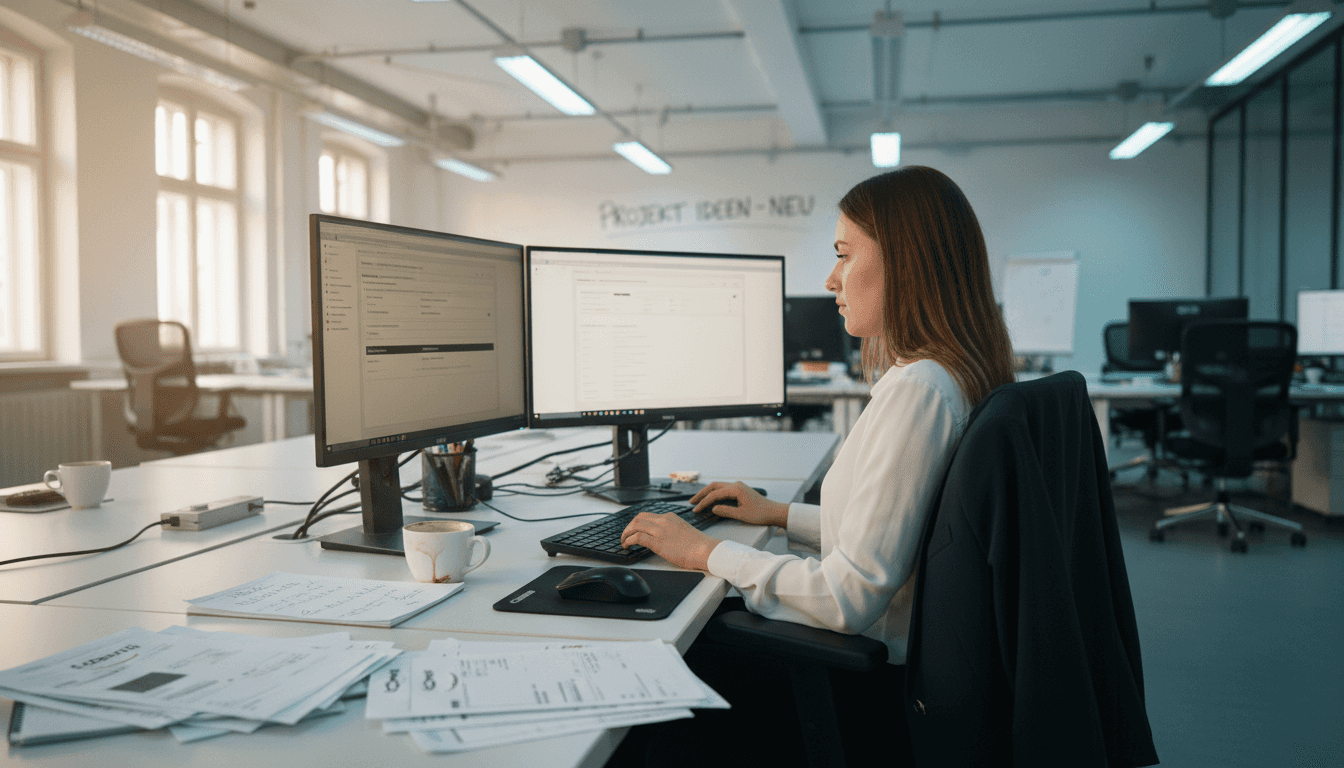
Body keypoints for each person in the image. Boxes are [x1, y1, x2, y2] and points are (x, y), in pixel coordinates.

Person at [613, 165, 1016, 767]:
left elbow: (849, 595)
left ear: (906, 264)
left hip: (858, 677)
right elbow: (898, 537)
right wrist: (778, 515)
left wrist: (703, 553)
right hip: (879, 657)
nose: (831, 279)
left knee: (651, 684)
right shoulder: (942, 377)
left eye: (845, 255)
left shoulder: (920, 391)